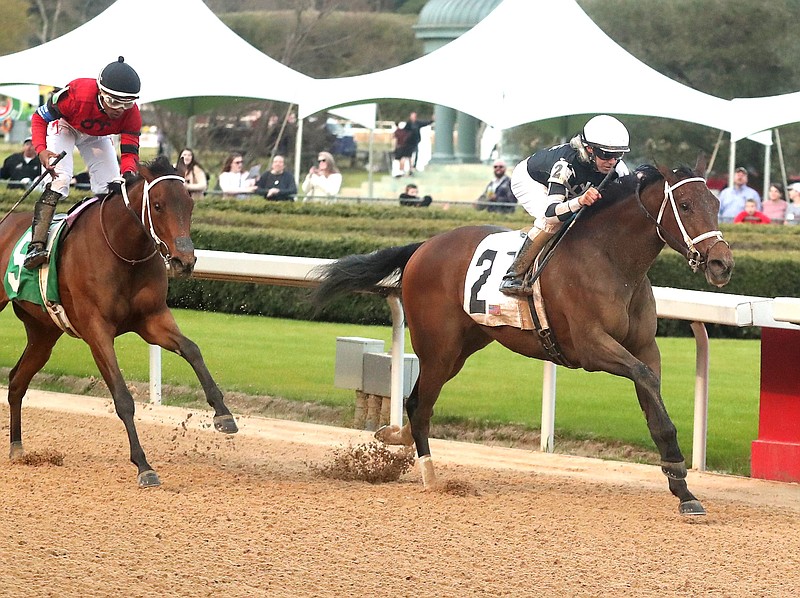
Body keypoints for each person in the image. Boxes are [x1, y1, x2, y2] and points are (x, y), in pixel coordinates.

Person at [24, 56, 142, 269]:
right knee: (60, 178)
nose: (119, 109)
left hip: (97, 135)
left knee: (113, 186)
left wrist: (128, 173)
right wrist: (41, 150)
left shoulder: (132, 115)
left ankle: (106, 244)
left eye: (127, 103)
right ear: (100, 93)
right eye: (114, 101)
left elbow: (130, 152)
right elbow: (39, 117)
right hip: (66, 126)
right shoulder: (77, 95)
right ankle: (36, 244)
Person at [499, 114, 631, 296]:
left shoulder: (618, 169)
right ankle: (514, 275)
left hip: (570, 188)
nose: (612, 161)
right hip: (532, 180)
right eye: (606, 155)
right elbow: (551, 213)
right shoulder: (565, 165)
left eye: (618, 155)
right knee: (551, 223)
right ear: (589, 149)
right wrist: (579, 201)